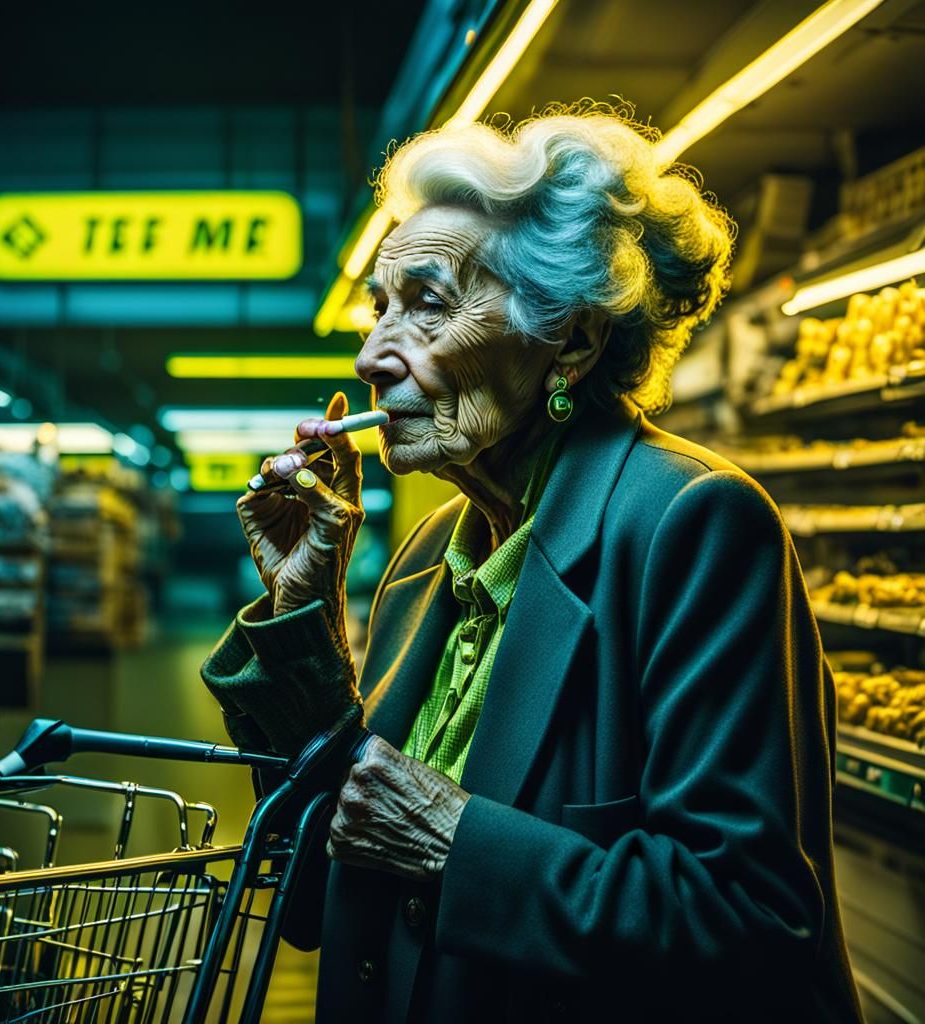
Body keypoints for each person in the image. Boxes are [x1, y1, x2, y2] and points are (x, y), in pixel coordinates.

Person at [201, 103, 864, 1023]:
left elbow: (748, 920)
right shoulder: (428, 557)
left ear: (574, 341)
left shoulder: (692, 524)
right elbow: (315, 885)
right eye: (380, 309)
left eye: (429, 305)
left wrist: (455, 842)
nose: (370, 357)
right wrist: (303, 617)